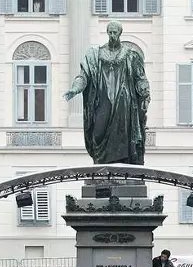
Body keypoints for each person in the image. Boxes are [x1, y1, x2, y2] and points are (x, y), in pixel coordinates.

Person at [63, 20, 150, 166]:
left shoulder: (131, 54)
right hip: (102, 102)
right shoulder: (95, 55)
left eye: (115, 32)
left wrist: (145, 93)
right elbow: (84, 75)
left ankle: (124, 166)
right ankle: (102, 165)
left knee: (124, 135)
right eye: (110, 32)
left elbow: (140, 78)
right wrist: (75, 89)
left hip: (124, 103)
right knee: (98, 132)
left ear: (120, 33)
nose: (112, 35)